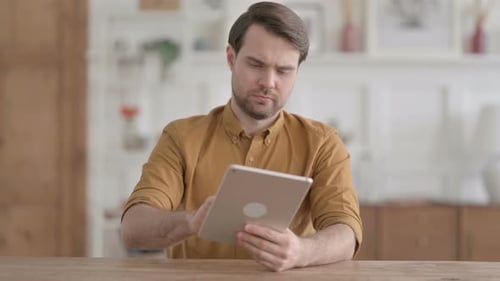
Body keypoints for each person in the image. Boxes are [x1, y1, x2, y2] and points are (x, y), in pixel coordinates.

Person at [121, 1, 362, 272]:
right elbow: (133, 228)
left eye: (283, 71)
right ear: (231, 58)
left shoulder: (323, 144)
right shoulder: (181, 137)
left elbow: (346, 232)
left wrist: (302, 252)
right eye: (256, 64)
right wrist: (190, 222)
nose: (269, 82)